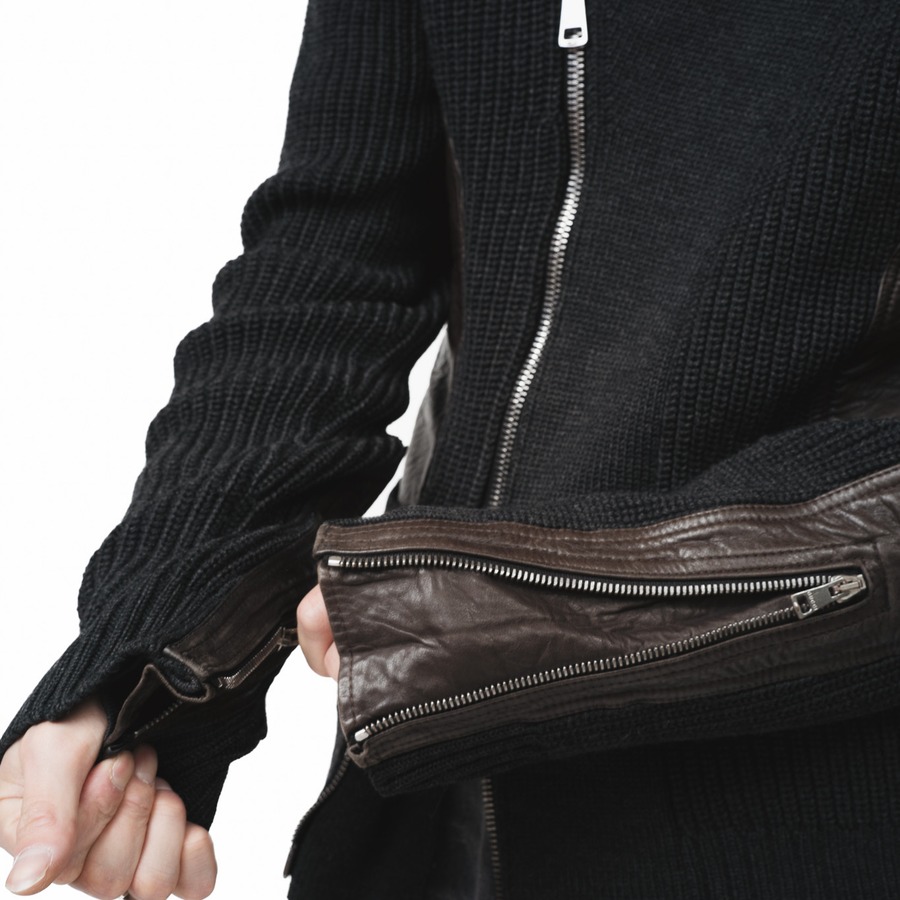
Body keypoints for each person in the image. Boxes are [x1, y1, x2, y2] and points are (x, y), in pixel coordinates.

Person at [4, 0, 900, 897]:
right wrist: (137, 683)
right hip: (424, 818)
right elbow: (339, 252)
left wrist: (472, 618)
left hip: (807, 824)